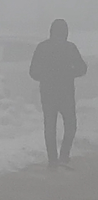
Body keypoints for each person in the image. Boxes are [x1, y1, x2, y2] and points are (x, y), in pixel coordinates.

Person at [29, 19, 87, 169]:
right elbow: (82, 68)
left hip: (47, 93)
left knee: (50, 126)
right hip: (66, 93)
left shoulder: (42, 47)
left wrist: (45, 76)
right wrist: (69, 73)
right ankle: (64, 156)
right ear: (66, 32)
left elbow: (33, 72)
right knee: (71, 125)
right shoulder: (70, 47)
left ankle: (52, 159)